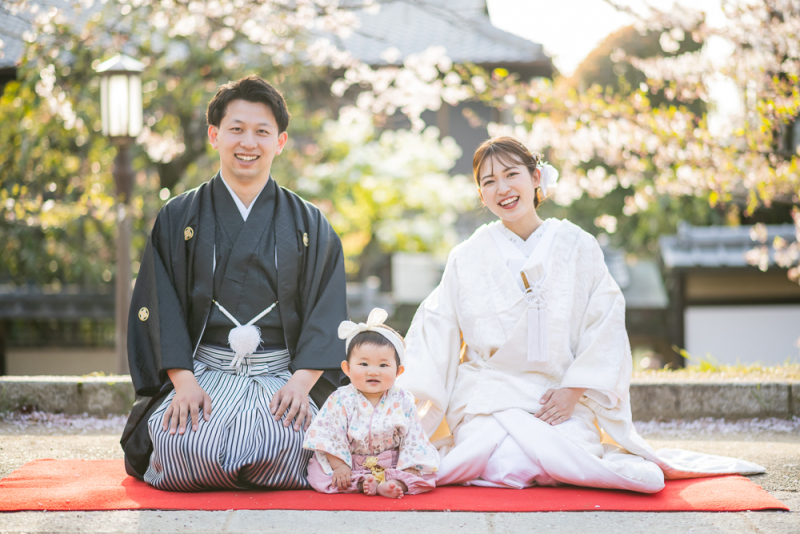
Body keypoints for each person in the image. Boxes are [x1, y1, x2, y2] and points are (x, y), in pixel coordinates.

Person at [397, 136, 765, 492]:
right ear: (481, 194)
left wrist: (573, 390)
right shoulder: (466, 255)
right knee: (507, 462)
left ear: (535, 177)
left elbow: (605, 323)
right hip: (487, 395)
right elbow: (436, 328)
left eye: (512, 175)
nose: (502, 188)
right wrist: (401, 409)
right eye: (489, 181)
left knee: (557, 454)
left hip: (557, 394)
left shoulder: (578, 245)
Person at [119, 75, 349, 491]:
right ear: (214, 135)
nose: (248, 143)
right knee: (180, 446)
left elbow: (328, 308)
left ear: (279, 142)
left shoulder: (309, 222)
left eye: (262, 132)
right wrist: (183, 382)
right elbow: (160, 301)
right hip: (202, 370)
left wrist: (301, 383)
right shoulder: (179, 216)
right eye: (236, 129)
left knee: (290, 441)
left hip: (282, 375)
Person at [303, 308, 439, 499]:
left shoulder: (402, 399)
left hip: (391, 464)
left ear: (398, 371)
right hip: (351, 463)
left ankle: (393, 483)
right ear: (347, 368)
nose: (373, 371)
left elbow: (413, 436)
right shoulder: (340, 398)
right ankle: (364, 483)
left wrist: (409, 465)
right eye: (364, 364)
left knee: (424, 475)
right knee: (322, 476)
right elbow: (329, 434)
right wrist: (340, 466)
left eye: (383, 365)